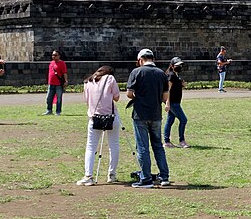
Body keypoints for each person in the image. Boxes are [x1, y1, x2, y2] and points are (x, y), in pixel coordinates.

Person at [127, 48, 170, 187]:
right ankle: (164, 176)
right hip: (156, 114)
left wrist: (138, 96)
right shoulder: (161, 74)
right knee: (158, 146)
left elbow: (129, 93)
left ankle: (145, 178)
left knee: (142, 147)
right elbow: (165, 97)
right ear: (153, 59)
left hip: (140, 114)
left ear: (140, 60)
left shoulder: (136, 72)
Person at [77, 65, 121, 186]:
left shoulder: (87, 82)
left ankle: (88, 175)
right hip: (110, 116)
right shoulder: (110, 79)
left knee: (91, 147)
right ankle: (111, 174)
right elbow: (117, 97)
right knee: (114, 145)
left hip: (94, 117)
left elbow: (86, 100)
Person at [163, 57, 189, 149]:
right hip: (173, 103)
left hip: (176, 101)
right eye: (177, 65)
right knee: (183, 119)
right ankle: (181, 141)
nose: (180, 67)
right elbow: (168, 90)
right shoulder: (171, 75)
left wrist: (181, 85)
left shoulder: (176, 75)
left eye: (180, 65)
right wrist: (167, 103)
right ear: (172, 66)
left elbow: (175, 88)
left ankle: (166, 141)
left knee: (170, 120)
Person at [44, 50, 69, 116]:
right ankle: (49, 110)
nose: (53, 56)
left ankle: (58, 111)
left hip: (58, 84)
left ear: (59, 56)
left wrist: (66, 81)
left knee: (59, 98)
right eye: (52, 55)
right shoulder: (51, 63)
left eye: (55, 55)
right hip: (51, 84)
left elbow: (64, 73)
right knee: (49, 98)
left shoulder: (62, 63)